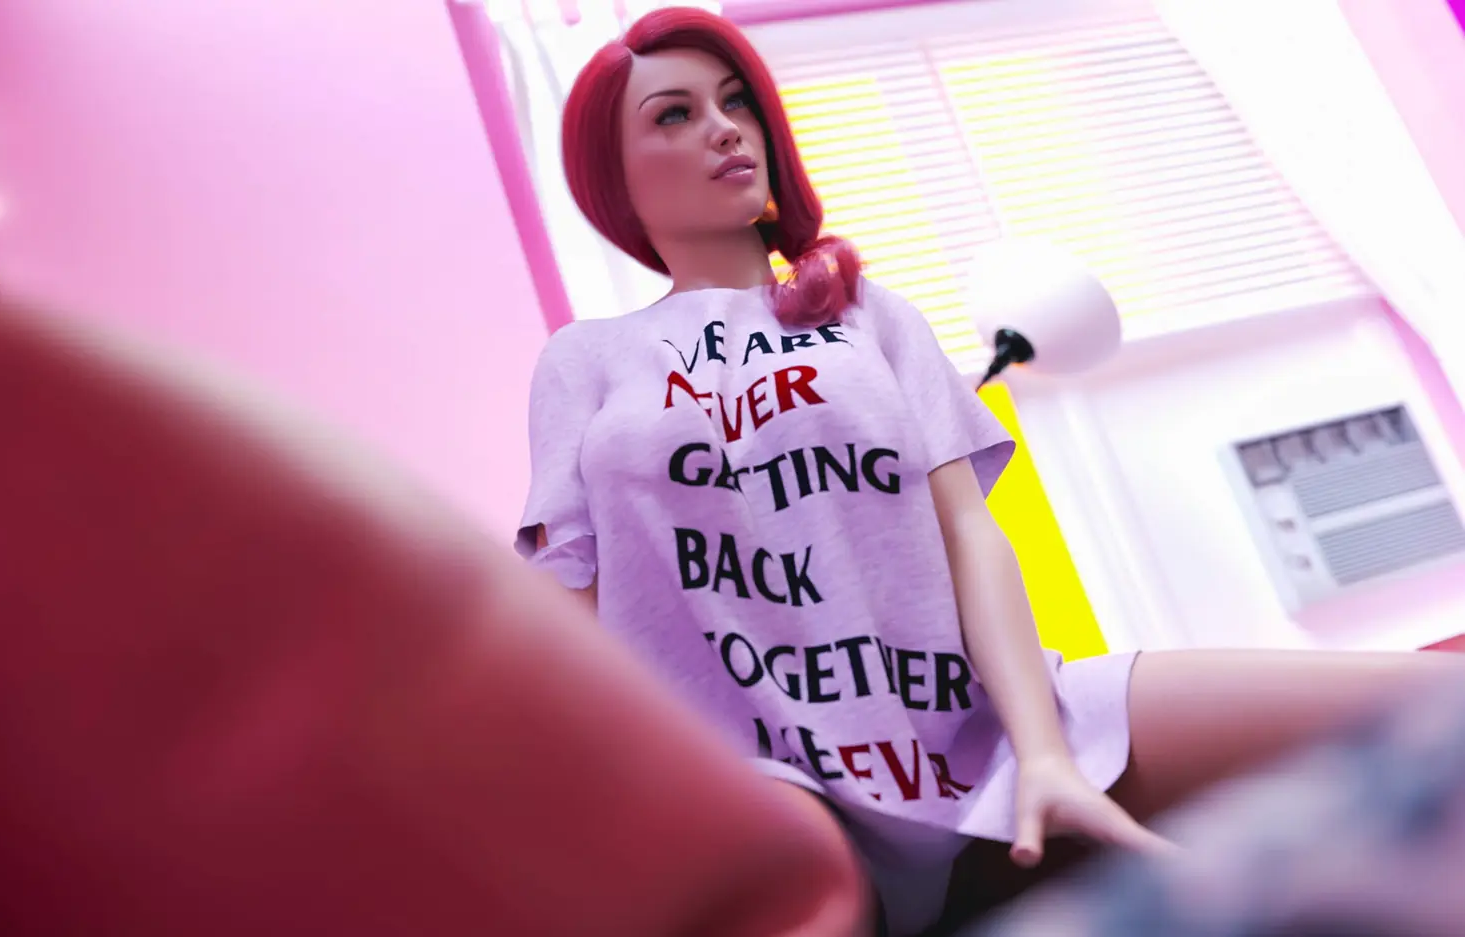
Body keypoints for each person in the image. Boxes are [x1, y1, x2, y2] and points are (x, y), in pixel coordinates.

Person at [514, 7, 1464, 935]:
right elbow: (571, 617)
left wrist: (1043, 751)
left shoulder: (868, 315)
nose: (725, 128)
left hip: (982, 728)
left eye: (735, 101)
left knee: (1436, 708)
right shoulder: (585, 361)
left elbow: (970, 533)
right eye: (674, 114)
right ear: (614, 177)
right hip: (762, 775)